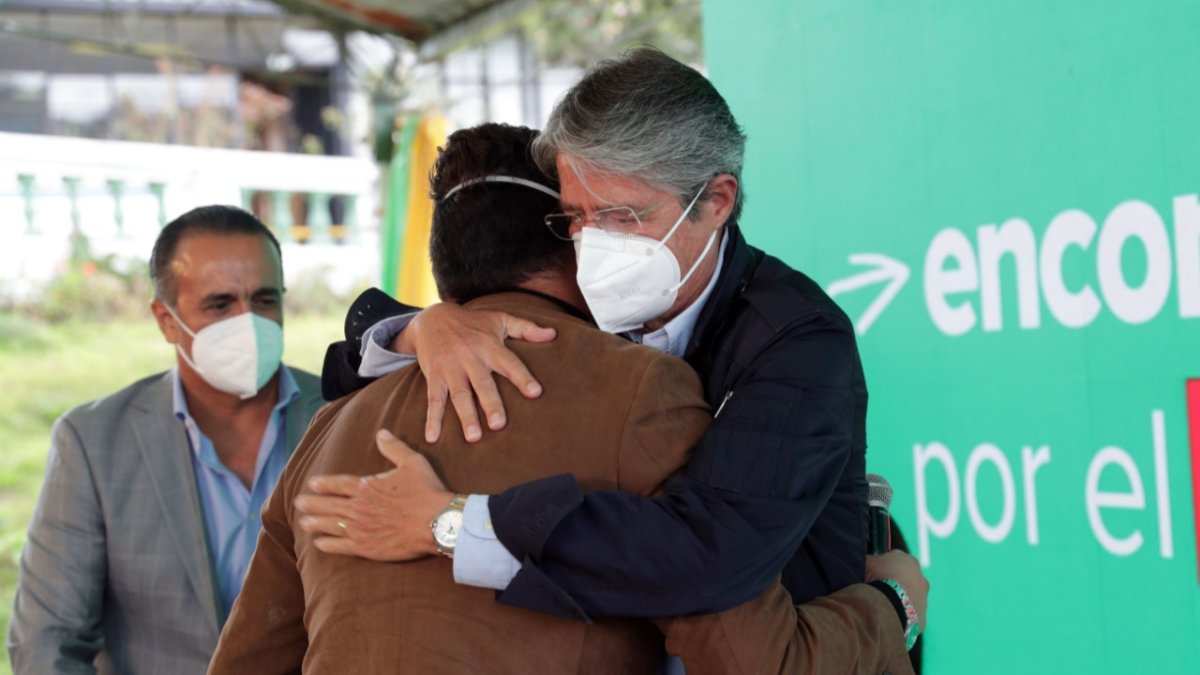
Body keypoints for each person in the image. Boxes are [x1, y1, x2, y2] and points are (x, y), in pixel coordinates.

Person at [210, 123, 921, 675]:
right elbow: (750, 657)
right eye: (591, 219)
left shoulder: (330, 428)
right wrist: (890, 604)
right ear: (570, 240)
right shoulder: (642, 391)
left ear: (445, 265)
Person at [313, 44, 889, 625]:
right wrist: (425, 328)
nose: (594, 246)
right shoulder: (594, 299)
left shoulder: (798, 339)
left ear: (716, 201)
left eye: (623, 217)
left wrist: (452, 525)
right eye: (577, 217)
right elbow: (341, 370)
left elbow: (710, 552)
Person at [7, 205, 325, 675]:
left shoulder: (340, 416)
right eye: (220, 305)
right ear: (166, 320)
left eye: (264, 300)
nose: (248, 323)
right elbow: (47, 644)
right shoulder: (94, 445)